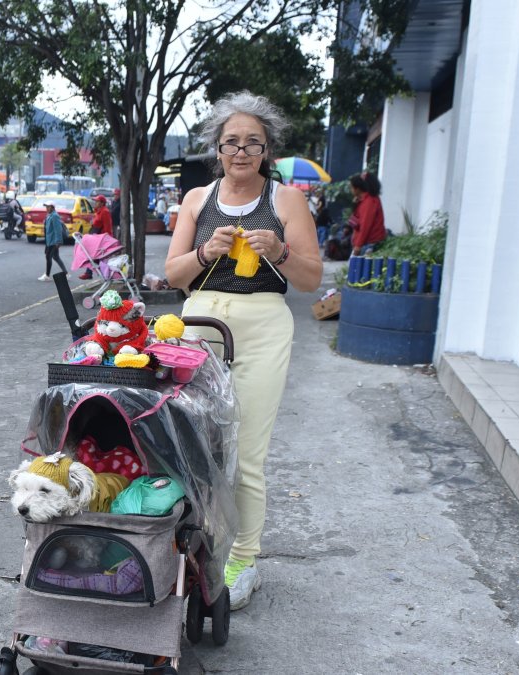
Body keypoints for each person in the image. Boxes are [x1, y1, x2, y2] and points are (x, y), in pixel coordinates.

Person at [163, 90, 322, 611]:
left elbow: (310, 279)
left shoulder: (287, 202)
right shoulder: (196, 200)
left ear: (267, 150)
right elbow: (172, 274)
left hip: (263, 327)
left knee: (246, 453)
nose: (241, 151)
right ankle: (181, 547)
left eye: (253, 143)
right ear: (216, 147)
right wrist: (204, 251)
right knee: (187, 442)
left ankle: (243, 559)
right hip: (200, 322)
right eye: (231, 142)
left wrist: (281, 250)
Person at [348, 172, 386, 256]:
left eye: (351, 187)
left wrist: (358, 246)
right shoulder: (363, 200)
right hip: (364, 243)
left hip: (367, 243)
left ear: (357, 189)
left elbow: (365, 225)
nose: (350, 190)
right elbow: (355, 221)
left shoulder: (369, 201)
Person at [38, 200, 65, 281]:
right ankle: (66, 273)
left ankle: (47, 275)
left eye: (48, 207)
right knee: (55, 257)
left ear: (52, 207)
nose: (46, 208)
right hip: (49, 240)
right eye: (46, 207)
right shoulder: (49, 215)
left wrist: (58, 241)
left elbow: (58, 229)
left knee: (48, 256)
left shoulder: (55, 216)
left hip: (53, 241)